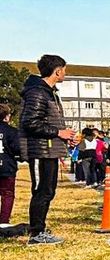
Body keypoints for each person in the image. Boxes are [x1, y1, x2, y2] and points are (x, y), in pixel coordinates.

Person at [20, 55, 78, 244]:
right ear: (58, 70)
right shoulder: (37, 92)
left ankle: (40, 228)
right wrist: (59, 132)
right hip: (40, 151)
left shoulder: (50, 93)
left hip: (50, 149)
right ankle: (36, 234)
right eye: (64, 70)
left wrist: (65, 137)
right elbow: (30, 123)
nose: (65, 73)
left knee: (48, 191)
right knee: (41, 191)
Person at [0, 104, 20, 228]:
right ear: (7, 117)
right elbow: (17, 149)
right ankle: (3, 221)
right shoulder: (12, 132)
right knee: (7, 194)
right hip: (6, 167)